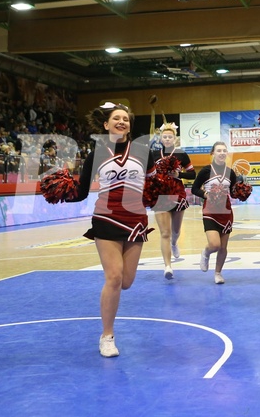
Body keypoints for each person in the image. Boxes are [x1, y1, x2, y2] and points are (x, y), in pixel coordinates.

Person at [68, 102, 156, 358]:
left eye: (125, 119)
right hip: (106, 218)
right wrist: (57, 191)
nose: (121, 122)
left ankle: (108, 331)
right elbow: (81, 191)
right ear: (105, 125)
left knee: (126, 282)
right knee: (114, 277)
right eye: (116, 118)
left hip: (136, 219)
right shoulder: (96, 153)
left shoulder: (142, 150)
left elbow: (153, 186)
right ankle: (107, 335)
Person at [150, 122, 195, 280]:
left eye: (170, 137)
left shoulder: (181, 154)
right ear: (161, 139)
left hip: (177, 193)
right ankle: (167, 266)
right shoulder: (154, 154)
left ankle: (175, 244)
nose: (167, 139)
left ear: (175, 138)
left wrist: (179, 175)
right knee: (165, 233)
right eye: (165, 137)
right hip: (160, 194)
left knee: (175, 232)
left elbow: (192, 174)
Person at [190, 142, 238, 285]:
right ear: (213, 153)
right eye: (219, 150)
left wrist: (242, 192)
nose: (222, 153)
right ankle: (206, 252)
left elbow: (234, 192)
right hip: (210, 211)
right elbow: (194, 189)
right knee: (214, 244)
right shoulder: (206, 171)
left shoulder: (231, 172)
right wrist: (206, 195)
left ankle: (218, 273)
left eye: (224, 150)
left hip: (226, 211)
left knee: (223, 247)